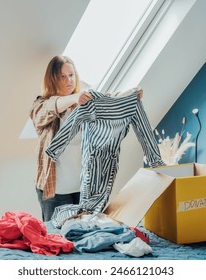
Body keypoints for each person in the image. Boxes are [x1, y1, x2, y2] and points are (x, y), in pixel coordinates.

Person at [30, 55, 143, 222]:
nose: (69, 80)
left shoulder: (84, 105)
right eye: (62, 76)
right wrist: (75, 98)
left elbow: (107, 99)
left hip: (84, 189)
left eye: (71, 75)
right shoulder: (41, 104)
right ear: (52, 79)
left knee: (83, 232)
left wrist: (130, 94)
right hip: (55, 191)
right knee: (56, 236)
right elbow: (49, 108)